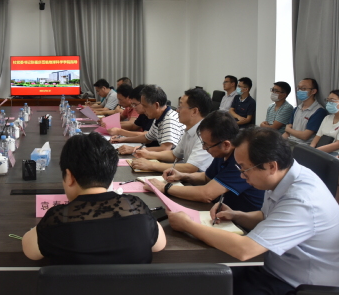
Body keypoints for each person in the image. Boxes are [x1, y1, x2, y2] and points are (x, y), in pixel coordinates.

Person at [167, 127, 339, 294]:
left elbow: (245, 249)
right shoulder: (282, 177)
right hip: (272, 266)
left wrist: (188, 225)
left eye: (245, 169)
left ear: (271, 166)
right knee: (201, 278)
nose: (241, 175)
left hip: (297, 285)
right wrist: (236, 215)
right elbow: (266, 216)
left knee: (204, 285)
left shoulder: (302, 201)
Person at [21, 132, 166, 264]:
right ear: (111, 173)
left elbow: (29, 250)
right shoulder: (136, 208)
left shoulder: (56, 220)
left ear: (70, 176)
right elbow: (160, 244)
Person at [150, 111, 264, 212]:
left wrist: (165, 188)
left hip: (241, 222)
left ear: (226, 145)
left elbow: (206, 194)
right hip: (223, 211)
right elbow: (207, 177)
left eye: (207, 145)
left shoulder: (241, 160)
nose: (204, 148)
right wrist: (183, 176)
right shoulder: (223, 152)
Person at [130, 88, 214, 173]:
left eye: (180, 107)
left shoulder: (205, 134)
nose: (177, 110)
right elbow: (174, 155)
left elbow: (191, 168)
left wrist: (151, 165)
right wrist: (148, 154)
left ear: (194, 111)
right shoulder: (189, 130)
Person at [112, 85, 184, 155]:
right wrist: (122, 139)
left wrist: (134, 149)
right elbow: (147, 138)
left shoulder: (169, 120)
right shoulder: (158, 117)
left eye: (145, 106)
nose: (143, 109)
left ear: (156, 105)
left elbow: (165, 149)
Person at [283, 78, 327, 146]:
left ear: (313, 91)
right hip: (289, 142)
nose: (300, 91)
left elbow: (305, 136)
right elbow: (287, 132)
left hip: (302, 146)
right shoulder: (297, 109)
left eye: (303, 88)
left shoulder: (319, 111)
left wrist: (288, 129)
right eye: (299, 88)